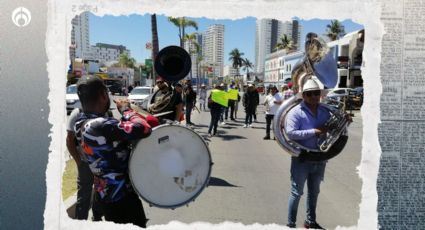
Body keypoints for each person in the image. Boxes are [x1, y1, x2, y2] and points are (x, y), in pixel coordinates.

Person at [74, 75, 159, 228]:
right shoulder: (101, 125)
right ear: (103, 95)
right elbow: (144, 129)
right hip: (121, 198)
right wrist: (126, 110)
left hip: (105, 193)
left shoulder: (80, 122)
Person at [284, 79, 329, 229]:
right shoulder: (296, 112)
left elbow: (333, 128)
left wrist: (344, 122)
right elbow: (290, 133)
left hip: (320, 158)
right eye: (310, 94)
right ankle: (290, 224)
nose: (314, 97)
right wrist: (313, 132)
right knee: (297, 192)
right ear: (303, 96)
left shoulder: (325, 110)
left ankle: (310, 221)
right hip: (302, 158)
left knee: (314, 192)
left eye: (316, 93)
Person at [66, 108, 103, 221]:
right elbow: (69, 140)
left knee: (101, 193)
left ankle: (97, 218)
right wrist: (78, 161)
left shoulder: (104, 110)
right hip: (85, 163)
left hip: (102, 163)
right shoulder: (77, 113)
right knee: (84, 196)